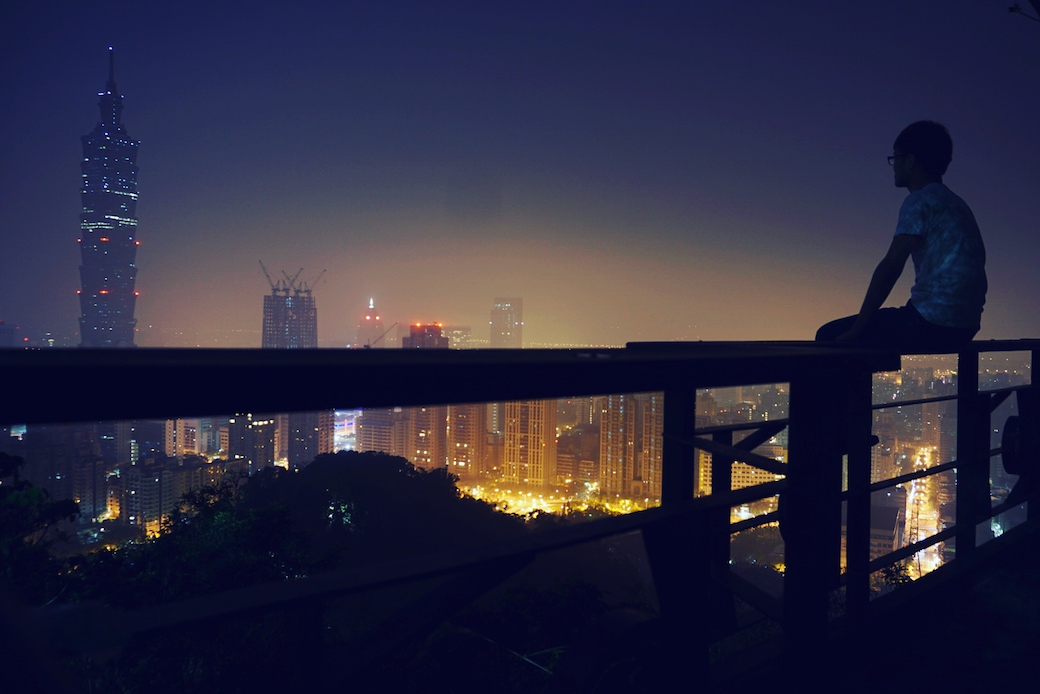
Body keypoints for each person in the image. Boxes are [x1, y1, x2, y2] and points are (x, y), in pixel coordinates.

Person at [815, 120, 987, 352]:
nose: (893, 165)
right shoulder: (957, 204)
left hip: (932, 323)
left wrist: (858, 327)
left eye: (895, 158)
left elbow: (891, 266)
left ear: (911, 161)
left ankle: (848, 389)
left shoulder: (920, 201)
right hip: (965, 327)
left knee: (828, 335)